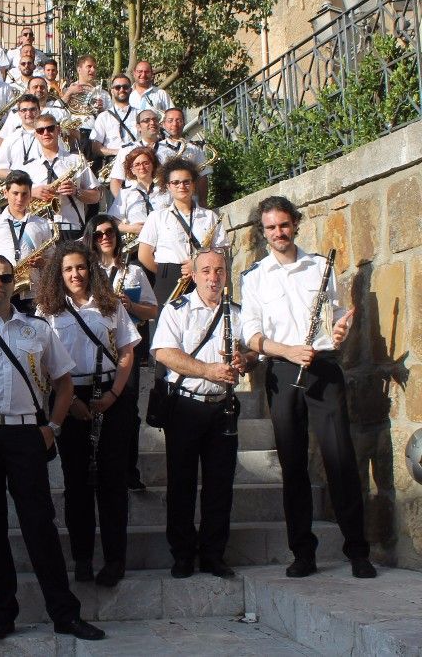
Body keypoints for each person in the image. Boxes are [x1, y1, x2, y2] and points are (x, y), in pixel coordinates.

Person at [0, 254, 105, 642]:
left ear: (15, 282)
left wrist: (53, 427)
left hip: (25, 434)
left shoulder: (38, 329)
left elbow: (63, 383)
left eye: (5, 277)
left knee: (40, 526)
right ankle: (1, 614)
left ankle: (64, 614)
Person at [240, 196, 374, 579]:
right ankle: (303, 553)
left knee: (341, 460)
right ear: (263, 232)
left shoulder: (320, 266)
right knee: (293, 465)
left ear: (295, 224)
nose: (278, 233)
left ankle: (357, 551)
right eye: (270, 228)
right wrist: (287, 350)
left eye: (284, 225)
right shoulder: (254, 277)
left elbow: (331, 319)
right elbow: (253, 336)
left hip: (323, 367)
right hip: (283, 372)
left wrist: (338, 331)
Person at [35, 241, 139, 586]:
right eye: (67, 269)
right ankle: (82, 558)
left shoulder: (110, 306)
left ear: (90, 269)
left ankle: (115, 560)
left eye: (80, 267)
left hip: (110, 394)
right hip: (69, 395)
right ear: (58, 274)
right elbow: (42, 362)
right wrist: (69, 401)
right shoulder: (47, 311)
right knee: (76, 480)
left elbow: (126, 351)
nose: (75, 275)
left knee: (112, 479)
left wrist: (113, 394)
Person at [151, 248, 254, 579]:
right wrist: (207, 370)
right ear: (193, 275)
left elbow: (253, 349)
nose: (213, 277)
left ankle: (213, 554)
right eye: (206, 271)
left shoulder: (238, 313)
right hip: (185, 405)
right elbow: (165, 352)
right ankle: (182, 554)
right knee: (181, 483)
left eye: (220, 270)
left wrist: (245, 360)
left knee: (220, 485)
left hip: (223, 406)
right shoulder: (178, 309)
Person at [85, 214, 158, 491]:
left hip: (126, 348)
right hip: (93, 350)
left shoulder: (135, 272)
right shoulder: (84, 272)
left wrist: (131, 306)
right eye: (99, 234)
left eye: (110, 233)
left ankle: (129, 469)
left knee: (128, 410)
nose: (105, 238)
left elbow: (153, 310)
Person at [136, 157, 225, 306]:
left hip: (204, 275)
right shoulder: (157, 217)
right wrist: (166, 272)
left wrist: (197, 264)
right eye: (175, 182)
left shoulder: (210, 216)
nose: (181, 186)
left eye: (186, 181)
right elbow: (143, 255)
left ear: (194, 184)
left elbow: (220, 250)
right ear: (168, 186)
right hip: (168, 277)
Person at [0, 170, 55, 314]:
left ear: (30, 195)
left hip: (31, 293)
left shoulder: (42, 223)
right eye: (15, 193)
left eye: (24, 194)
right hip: (0, 290)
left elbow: (53, 259)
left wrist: (43, 263)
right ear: (6, 193)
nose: (19, 199)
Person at [20, 114, 100, 241]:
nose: (45, 133)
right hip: (40, 230)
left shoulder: (76, 160)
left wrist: (76, 191)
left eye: (50, 128)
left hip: (72, 229)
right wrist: (32, 193)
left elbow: (96, 197)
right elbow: (16, 202)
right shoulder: (28, 167)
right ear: (36, 135)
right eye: (40, 130)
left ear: (58, 130)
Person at [107, 109, 175, 199]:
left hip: (162, 201)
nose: (152, 123)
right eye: (146, 120)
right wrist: (122, 203)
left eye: (155, 120)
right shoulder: (126, 150)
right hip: (134, 201)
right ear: (138, 127)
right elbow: (116, 180)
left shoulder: (170, 151)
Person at [107, 147, 170, 241]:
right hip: (138, 243)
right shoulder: (125, 193)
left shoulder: (167, 189)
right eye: (137, 164)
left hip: (166, 240)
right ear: (132, 169)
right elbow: (112, 221)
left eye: (146, 163)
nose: (142, 167)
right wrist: (131, 228)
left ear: (153, 166)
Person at [90, 74, 139, 160]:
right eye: (117, 87)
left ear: (131, 90)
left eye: (125, 87)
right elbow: (95, 148)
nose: (122, 90)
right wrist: (119, 152)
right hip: (113, 161)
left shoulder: (140, 114)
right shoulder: (103, 117)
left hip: (136, 160)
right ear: (112, 91)